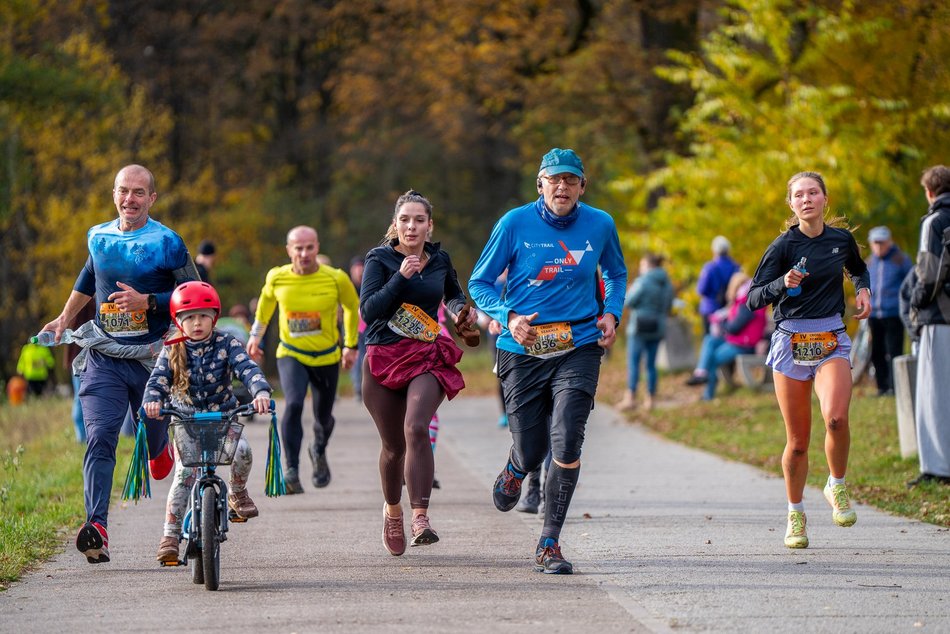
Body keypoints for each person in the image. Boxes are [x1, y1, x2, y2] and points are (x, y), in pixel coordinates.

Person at [468, 148, 626, 574]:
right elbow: (480, 283)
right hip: (523, 348)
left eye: (570, 180)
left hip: (580, 343)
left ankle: (549, 542)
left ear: (582, 186)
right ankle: (517, 467)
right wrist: (508, 317)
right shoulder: (514, 223)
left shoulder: (600, 224)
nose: (562, 187)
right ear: (540, 184)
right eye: (554, 179)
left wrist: (611, 313)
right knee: (532, 447)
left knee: (568, 439)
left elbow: (615, 273)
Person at [38, 164, 198, 564]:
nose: (130, 199)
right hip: (104, 356)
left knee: (156, 444)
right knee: (100, 436)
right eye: (124, 191)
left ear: (152, 198)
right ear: (113, 194)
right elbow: (88, 277)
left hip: (152, 360)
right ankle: (97, 528)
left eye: (139, 192)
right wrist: (63, 318)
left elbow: (197, 293)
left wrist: (150, 302)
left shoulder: (167, 242)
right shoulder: (98, 236)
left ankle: (159, 451)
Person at [747, 171, 870, 549]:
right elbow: (753, 298)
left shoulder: (840, 240)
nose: (806, 199)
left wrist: (863, 288)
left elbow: (858, 267)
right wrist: (782, 283)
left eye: (813, 192)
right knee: (798, 442)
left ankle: (836, 484)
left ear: (824, 199)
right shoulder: (782, 246)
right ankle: (795, 512)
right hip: (791, 341)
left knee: (836, 418)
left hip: (831, 338)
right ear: (791, 203)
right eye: (799, 195)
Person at [360, 189, 478, 556]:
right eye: (405, 220)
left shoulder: (440, 259)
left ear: (430, 225)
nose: (412, 226)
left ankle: (420, 518)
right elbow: (369, 311)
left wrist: (461, 312)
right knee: (394, 447)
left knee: (416, 427)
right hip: (383, 358)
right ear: (395, 225)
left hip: (426, 354)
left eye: (419, 220)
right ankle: (393, 512)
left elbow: (453, 294)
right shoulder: (379, 259)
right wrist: (400, 277)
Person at [142, 281, 272, 563]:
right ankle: (170, 535)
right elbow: (157, 381)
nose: (197, 323)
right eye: (190, 317)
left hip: (223, 419)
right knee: (183, 477)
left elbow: (247, 368)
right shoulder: (171, 349)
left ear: (214, 317)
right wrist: (153, 401)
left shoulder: (227, 343)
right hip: (186, 422)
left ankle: (237, 493)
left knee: (243, 452)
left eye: (204, 316)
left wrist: (260, 392)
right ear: (178, 320)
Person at [247, 226, 359, 493]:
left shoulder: (335, 278)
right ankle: (292, 470)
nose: (304, 253)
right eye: (298, 248)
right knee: (294, 403)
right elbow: (264, 309)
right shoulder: (277, 277)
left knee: (324, 417)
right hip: (291, 353)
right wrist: (255, 337)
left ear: (317, 248)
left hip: (327, 356)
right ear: (289, 250)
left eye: (309, 247)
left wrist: (350, 345)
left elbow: (352, 307)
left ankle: (318, 448)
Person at [907, 165, 950, 488]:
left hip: (940, 316)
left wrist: (916, 303)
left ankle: (938, 467)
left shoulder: (934, 221)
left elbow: (929, 273)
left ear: (929, 191)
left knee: (934, 394)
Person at [696, 271, 767, 401]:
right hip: (738, 341)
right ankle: (701, 371)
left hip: (744, 345)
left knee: (712, 358)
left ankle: (707, 393)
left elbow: (734, 328)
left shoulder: (747, 304)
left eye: (743, 285)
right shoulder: (743, 302)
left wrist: (720, 322)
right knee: (709, 340)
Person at [617, 253, 675, 411]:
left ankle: (630, 398)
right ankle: (650, 399)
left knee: (634, 362)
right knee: (651, 364)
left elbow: (629, 301)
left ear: (649, 265)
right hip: (657, 326)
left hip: (639, 326)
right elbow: (669, 306)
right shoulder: (667, 283)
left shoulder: (642, 281)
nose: (641, 268)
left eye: (642, 265)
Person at [685, 236, 741, 385]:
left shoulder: (709, 267)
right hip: (730, 310)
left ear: (714, 250)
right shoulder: (735, 267)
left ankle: (710, 378)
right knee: (728, 340)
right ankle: (729, 377)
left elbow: (701, 289)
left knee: (709, 342)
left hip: (710, 310)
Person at [866, 225, 913, 396]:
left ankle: (895, 387)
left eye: (882, 242)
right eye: (875, 242)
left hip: (894, 314)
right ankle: (882, 387)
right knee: (876, 352)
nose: (879, 246)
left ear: (889, 242)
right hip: (874, 315)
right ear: (871, 244)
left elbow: (912, 284)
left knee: (894, 352)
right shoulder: (869, 262)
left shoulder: (901, 259)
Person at [65, 302, 98, 442]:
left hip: (88, 359)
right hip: (83, 360)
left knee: (82, 398)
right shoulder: (84, 306)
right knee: (81, 398)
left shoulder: (84, 306)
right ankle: (83, 438)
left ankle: (85, 437)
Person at [347, 256, 368, 403]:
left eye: (361, 269)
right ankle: (358, 388)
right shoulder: (348, 286)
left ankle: (367, 387)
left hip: (368, 325)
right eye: (357, 269)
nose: (359, 272)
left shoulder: (369, 282)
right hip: (352, 327)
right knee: (355, 356)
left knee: (367, 356)